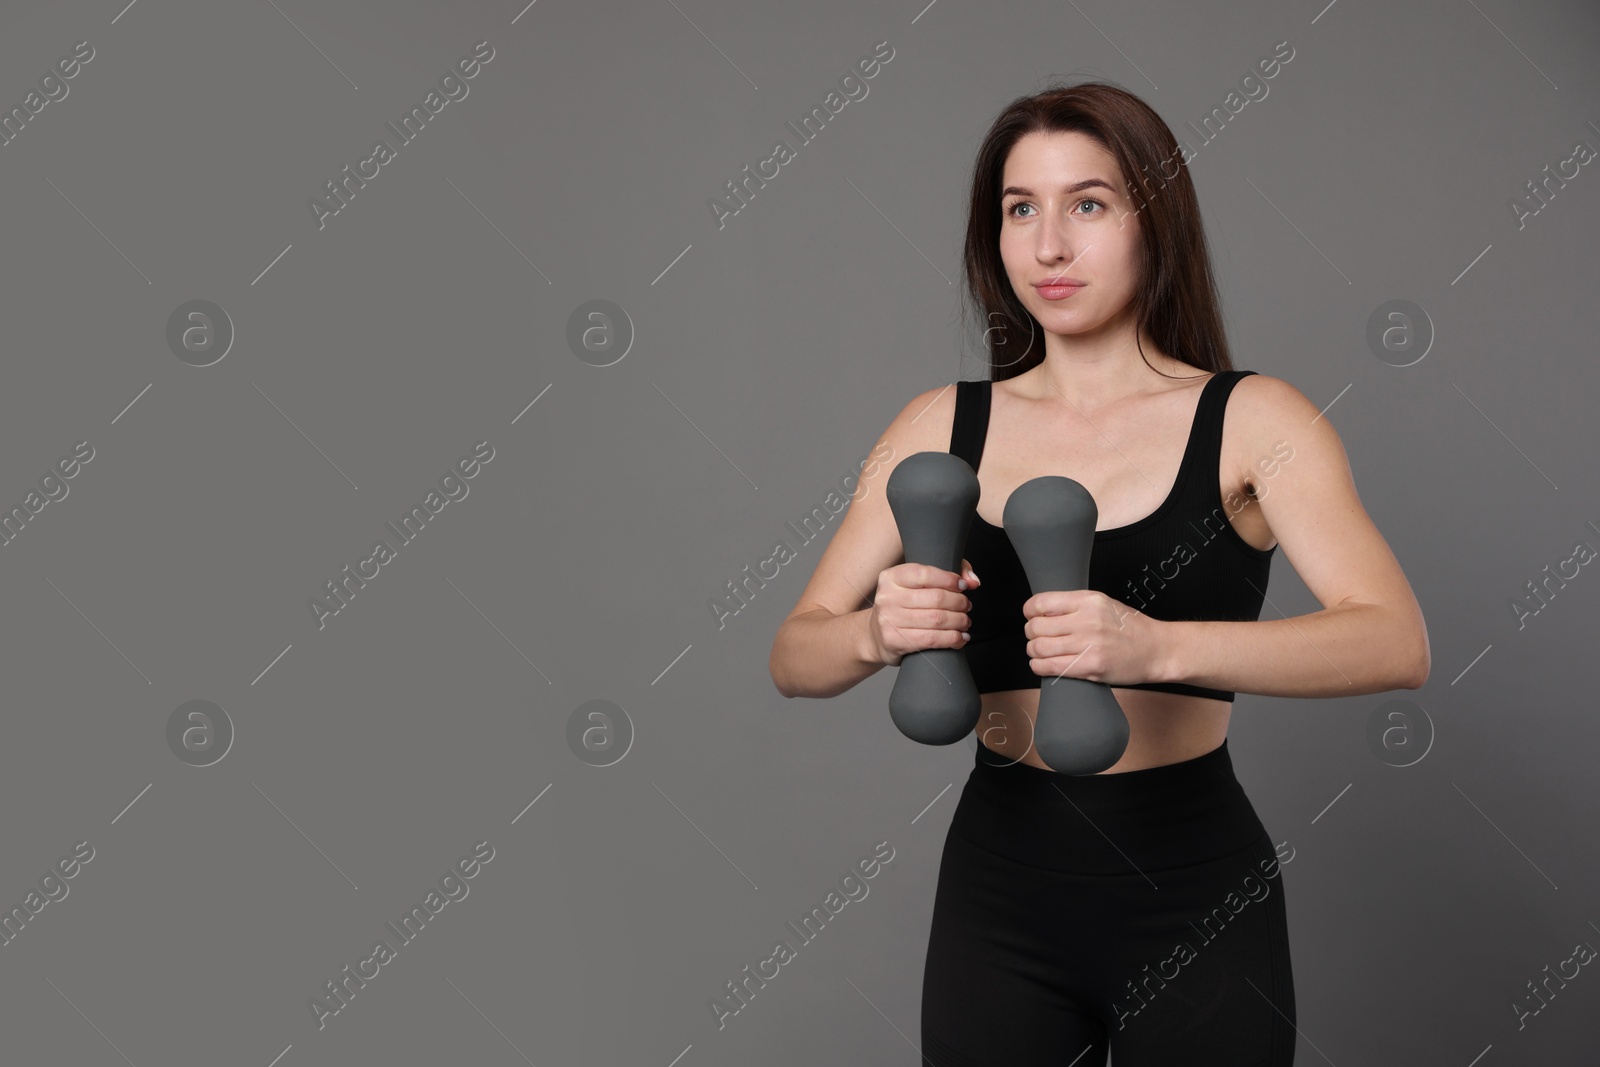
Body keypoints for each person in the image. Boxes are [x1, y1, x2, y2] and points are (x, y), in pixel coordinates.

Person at [767, 82, 1430, 1064]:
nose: (1048, 247)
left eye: (1087, 204)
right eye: (1018, 209)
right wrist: (873, 631)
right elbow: (794, 651)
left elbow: (1394, 639)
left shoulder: (1254, 420)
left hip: (1193, 891)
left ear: (1152, 218)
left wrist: (1155, 644)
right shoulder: (936, 424)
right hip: (999, 890)